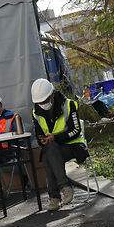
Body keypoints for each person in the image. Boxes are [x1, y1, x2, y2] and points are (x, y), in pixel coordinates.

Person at [31, 78, 89, 211]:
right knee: (49, 152)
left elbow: (75, 131)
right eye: (39, 102)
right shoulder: (36, 112)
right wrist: (43, 140)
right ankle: (63, 188)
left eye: (44, 101)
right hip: (54, 149)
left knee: (49, 154)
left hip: (74, 145)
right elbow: (39, 134)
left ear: (51, 95)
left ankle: (55, 196)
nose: (42, 104)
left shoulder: (68, 105)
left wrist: (55, 138)